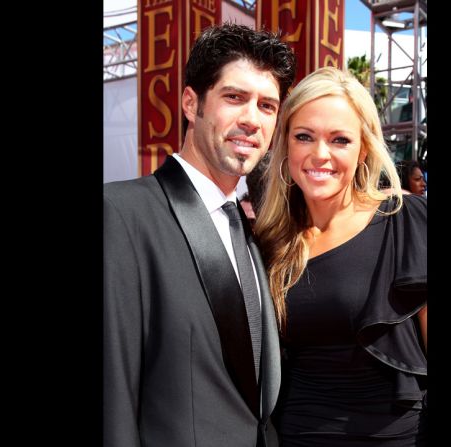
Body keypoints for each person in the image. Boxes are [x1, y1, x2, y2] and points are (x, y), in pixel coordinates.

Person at [104, 23, 296, 447]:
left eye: (267, 105)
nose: (251, 119)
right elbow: (111, 391)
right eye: (234, 97)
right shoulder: (120, 213)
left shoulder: (250, 231)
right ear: (192, 104)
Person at [255, 67, 427, 446]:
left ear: (363, 148)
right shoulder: (270, 240)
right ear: (287, 143)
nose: (320, 154)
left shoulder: (406, 221)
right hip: (297, 434)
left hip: (394, 438)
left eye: (340, 140)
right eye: (304, 137)